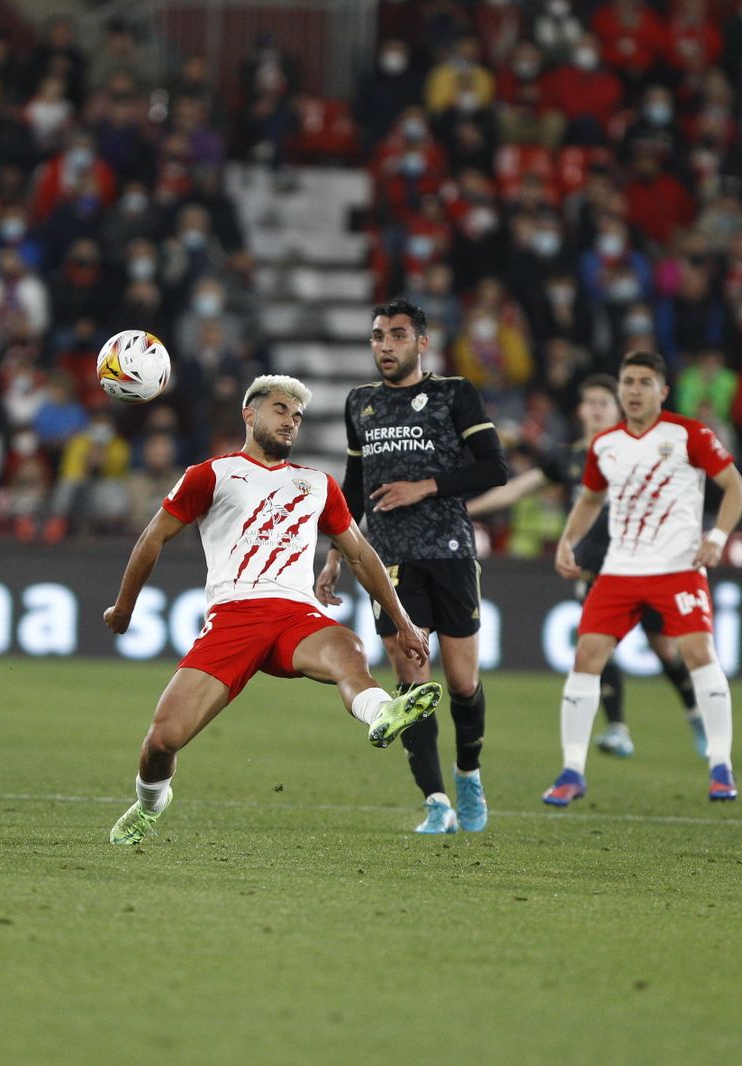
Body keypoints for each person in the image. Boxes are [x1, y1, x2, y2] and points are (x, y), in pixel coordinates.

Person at [103, 375, 442, 846]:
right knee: (162, 742)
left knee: (348, 647)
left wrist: (404, 622)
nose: (291, 421)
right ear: (250, 413)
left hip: (295, 616)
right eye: (281, 410)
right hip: (234, 616)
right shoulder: (212, 474)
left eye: (297, 416)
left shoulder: (316, 484)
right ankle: (150, 803)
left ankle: (383, 711)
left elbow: (361, 555)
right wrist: (124, 607)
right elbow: (153, 537)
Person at [315, 300, 509, 835]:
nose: (385, 345)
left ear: (421, 343)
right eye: (377, 336)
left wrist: (424, 487)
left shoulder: (454, 394)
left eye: (397, 336)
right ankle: (437, 801)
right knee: (411, 682)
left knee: (464, 684)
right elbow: (353, 488)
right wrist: (335, 553)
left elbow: (495, 467)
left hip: (449, 552)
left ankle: (467, 773)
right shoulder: (361, 404)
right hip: (386, 561)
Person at [542, 351, 742, 808]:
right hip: (620, 570)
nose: (634, 391)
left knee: (697, 652)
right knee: (586, 656)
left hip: (677, 569)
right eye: (628, 382)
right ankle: (571, 771)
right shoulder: (605, 445)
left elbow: (736, 486)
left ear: (663, 391)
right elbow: (592, 499)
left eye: (644, 383)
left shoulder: (689, 434)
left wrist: (716, 537)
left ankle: (720, 766)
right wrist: (567, 540)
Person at [466, 374, 707, 758]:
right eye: (589, 402)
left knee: (664, 649)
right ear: (580, 410)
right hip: (597, 568)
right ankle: (618, 729)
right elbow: (517, 488)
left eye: (603, 402)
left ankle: (696, 714)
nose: (595, 409)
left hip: (646, 565)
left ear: (618, 409)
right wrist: (464, 509)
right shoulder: (568, 457)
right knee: (598, 643)